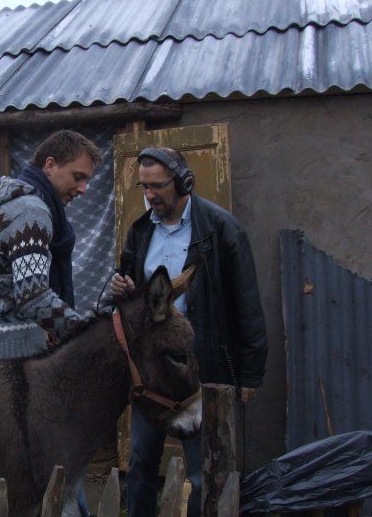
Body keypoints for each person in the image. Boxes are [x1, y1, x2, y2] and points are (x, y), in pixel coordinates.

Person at [111, 147, 267, 517]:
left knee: (202, 472)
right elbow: (136, 298)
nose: (149, 195)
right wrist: (123, 288)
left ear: (183, 183)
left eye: (158, 186)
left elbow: (247, 303)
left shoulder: (221, 229)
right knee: (141, 463)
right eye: (143, 187)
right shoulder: (141, 229)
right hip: (153, 372)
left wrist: (250, 374)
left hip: (202, 368)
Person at [0, 129, 104, 517]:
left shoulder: (22, 201)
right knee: (45, 470)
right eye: (78, 176)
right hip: (10, 359)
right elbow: (32, 294)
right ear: (49, 165)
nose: (84, 189)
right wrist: (86, 334)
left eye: (89, 179)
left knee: (35, 472)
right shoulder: (31, 210)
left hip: (0, 350)